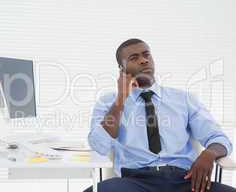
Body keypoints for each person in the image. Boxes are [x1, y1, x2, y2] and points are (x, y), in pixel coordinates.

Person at [84, 38, 236, 192]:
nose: (143, 60)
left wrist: (209, 154)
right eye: (134, 58)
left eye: (146, 55)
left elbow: (219, 138)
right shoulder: (108, 102)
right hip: (134, 182)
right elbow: (99, 146)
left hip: (185, 180)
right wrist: (120, 100)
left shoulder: (184, 99)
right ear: (122, 69)